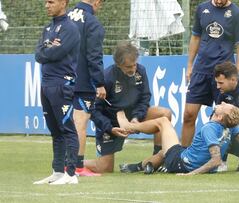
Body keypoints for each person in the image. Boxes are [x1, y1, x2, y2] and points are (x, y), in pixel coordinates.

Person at [83, 42, 172, 173]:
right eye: (128, 66)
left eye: (135, 64)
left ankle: (156, 159)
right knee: (105, 168)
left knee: (164, 114)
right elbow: (94, 111)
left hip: (135, 117)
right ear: (118, 65)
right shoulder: (106, 78)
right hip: (112, 123)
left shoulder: (140, 71)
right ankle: (73, 161)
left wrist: (137, 118)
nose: (133, 69)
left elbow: (145, 98)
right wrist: (110, 127)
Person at [182, 0, 239, 147]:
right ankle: (183, 157)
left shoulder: (237, 14)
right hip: (201, 71)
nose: (219, 1)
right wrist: (189, 65)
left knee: (224, 119)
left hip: (223, 74)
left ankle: (221, 159)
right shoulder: (202, 8)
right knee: (188, 115)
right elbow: (195, 37)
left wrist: (236, 73)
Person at [119, 102, 239, 175]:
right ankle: (140, 167)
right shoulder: (231, 127)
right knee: (163, 152)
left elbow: (216, 160)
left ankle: (130, 126)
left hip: (180, 162)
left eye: (225, 105)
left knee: (162, 121)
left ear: (220, 117)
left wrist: (191, 174)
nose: (222, 103)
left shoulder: (209, 128)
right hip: (184, 156)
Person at [33, 0, 80, 185]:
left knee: (67, 128)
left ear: (63, 2)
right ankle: (58, 171)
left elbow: (54, 54)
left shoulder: (70, 29)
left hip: (62, 84)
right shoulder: (47, 28)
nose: (47, 5)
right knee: (55, 131)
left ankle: (71, 173)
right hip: (46, 85)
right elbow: (39, 54)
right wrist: (48, 48)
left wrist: (48, 49)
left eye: (51, 1)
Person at [67, 0, 106, 176]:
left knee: (66, 124)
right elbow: (94, 56)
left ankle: (63, 164)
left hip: (61, 80)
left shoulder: (65, 17)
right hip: (82, 83)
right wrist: (99, 83)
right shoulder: (92, 22)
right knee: (80, 124)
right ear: (96, 2)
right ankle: (77, 166)